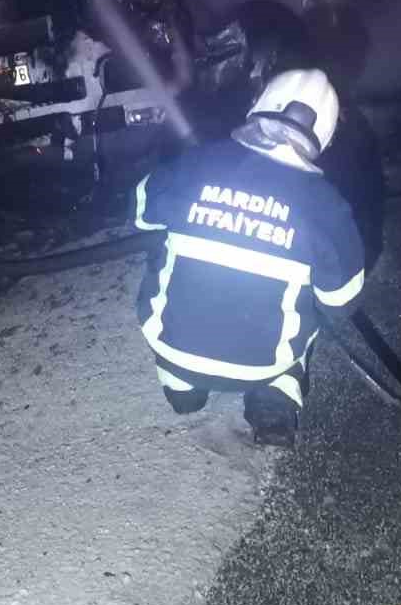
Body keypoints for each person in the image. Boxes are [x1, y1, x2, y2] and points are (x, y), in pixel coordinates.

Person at [132, 69, 366, 447]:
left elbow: (141, 211)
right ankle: (276, 398)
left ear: (258, 107)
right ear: (325, 135)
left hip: (171, 345)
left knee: (165, 258)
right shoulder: (326, 206)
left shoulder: (197, 163)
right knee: (309, 307)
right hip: (263, 362)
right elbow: (341, 303)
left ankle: (182, 389)